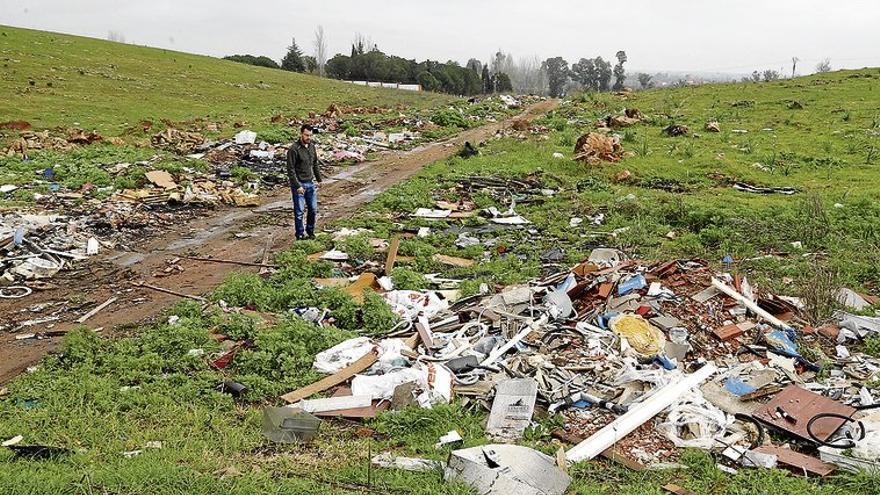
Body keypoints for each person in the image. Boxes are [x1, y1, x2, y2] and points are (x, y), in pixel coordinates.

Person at [285, 124, 323, 240]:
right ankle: (300, 234)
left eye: (310, 135)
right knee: (299, 211)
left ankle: (310, 231)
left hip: (310, 183)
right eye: (306, 135)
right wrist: (297, 185)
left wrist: (319, 179)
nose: (308, 137)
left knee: (313, 209)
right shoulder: (294, 149)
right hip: (299, 184)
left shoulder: (312, 147)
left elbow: (315, 163)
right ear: (301, 134)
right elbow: (290, 169)